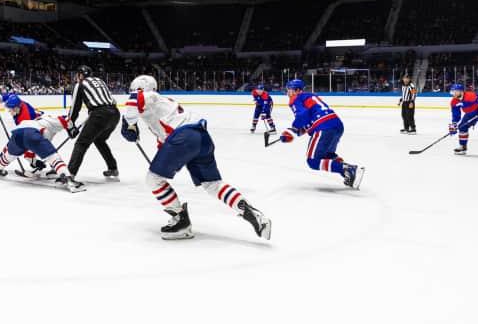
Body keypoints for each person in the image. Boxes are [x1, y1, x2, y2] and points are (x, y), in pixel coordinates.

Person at [121, 75, 271, 240]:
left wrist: (129, 123)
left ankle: (181, 221)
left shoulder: (148, 96)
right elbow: (165, 139)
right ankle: (252, 213)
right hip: (201, 137)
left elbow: (135, 99)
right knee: (212, 185)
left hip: (183, 138)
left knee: (153, 179)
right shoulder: (163, 103)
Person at [0, 93, 84, 192]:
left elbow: (27, 145)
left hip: (22, 132)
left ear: (17, 108)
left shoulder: (26, 116)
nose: (10, 112)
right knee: (52, 156)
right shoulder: (23, 106)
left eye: (11, 110)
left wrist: (33, 161)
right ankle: (67, 178)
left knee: (11, 151)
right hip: (35, 132)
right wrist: (72, 128)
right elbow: (65, 119)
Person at [279, 79, 364, 189]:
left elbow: (302, 117)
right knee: (327, 156)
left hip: (323, 126)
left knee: (313, 161)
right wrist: (295, 132)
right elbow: (309, 121)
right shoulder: (310, 97)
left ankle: (348, 169)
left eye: (290, 90)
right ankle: (349, 174)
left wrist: (291, 130)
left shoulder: (296, 98)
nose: (288, 93)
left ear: (298, 90)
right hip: (336, 125)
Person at [66, 65, 120, 179]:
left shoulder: (80, 84)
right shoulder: (100, 81)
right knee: (99, 140)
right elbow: (111, 100)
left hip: (100, 114)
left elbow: (75, 108)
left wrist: (70, 126)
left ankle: (69, 174)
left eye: (77, 75)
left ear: (80, 75)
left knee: (81, 143)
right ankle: (112, 168)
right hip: (115, 113)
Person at [448, 83, 478, 155]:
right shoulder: (454, 101)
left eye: (455, 91)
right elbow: (456, 114)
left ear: (461, 91)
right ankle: (463, 146)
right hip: (470, 114)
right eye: (453, 92)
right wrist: (454, 125)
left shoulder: (470, 96)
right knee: (462, 126)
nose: (454, 93)